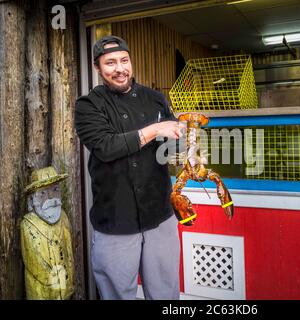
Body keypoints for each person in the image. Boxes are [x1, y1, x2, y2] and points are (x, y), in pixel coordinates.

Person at [74, 35, 184, 300]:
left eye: (124, 60)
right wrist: (155, 129)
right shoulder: (88, 105)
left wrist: (184, 143)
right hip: (115, 218)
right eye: (110, 63)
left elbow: (168, 149)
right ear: (98, 68)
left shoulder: (155, 99)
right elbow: (106, 146)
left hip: (160, 214)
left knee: (165, 292)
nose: (120, 68)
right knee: (117, 294)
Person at [20, 166, 75, 300]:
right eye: (43, 193)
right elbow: (35, 262)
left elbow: (69, 250)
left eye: (55, 190)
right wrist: (55, 279)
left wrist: (69, 276)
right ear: (32, 200)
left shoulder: (63, 217)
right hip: (42, 291)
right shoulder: (28, 225)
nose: (51, 198)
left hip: (66, 288)